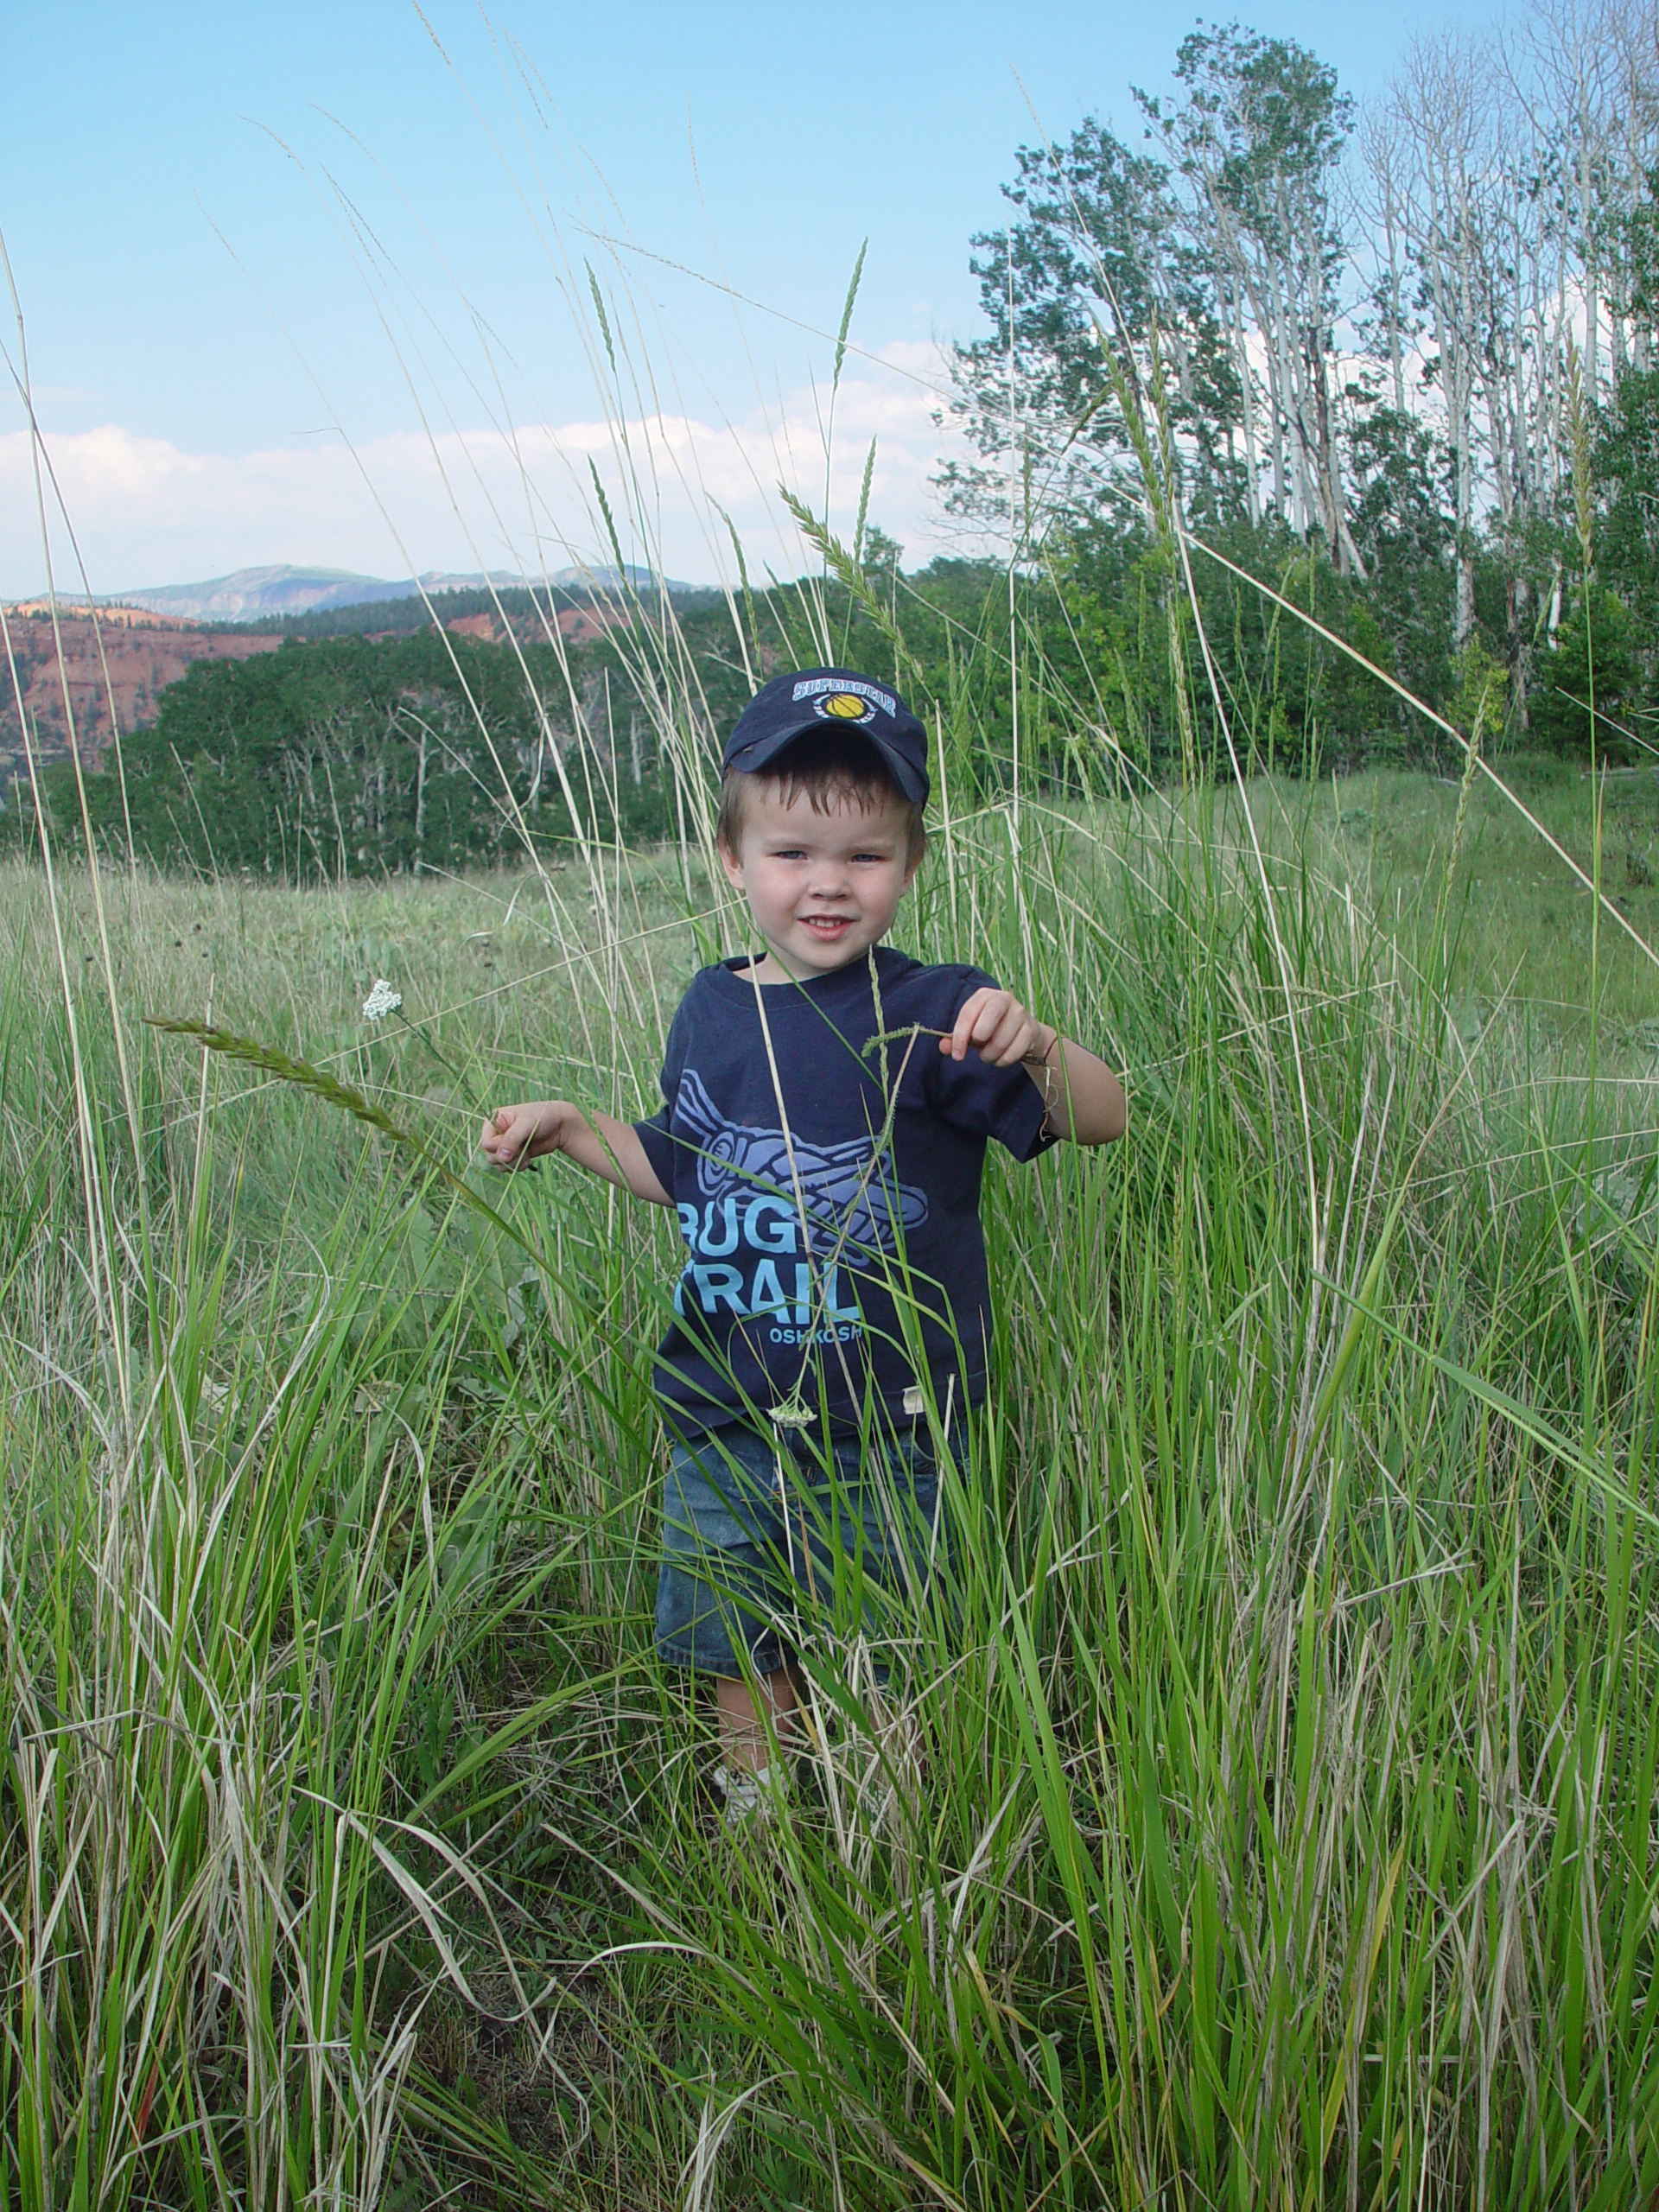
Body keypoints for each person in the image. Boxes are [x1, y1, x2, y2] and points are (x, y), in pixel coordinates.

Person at [481, 667, 1125, 1821]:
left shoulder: (942, 1009)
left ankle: (890, 1824)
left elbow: (1100, 1118)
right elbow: (689, 1169)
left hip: (894, 1425)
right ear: (733, 858)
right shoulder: (709, 1006)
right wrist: (576, 1130)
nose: (828, 884)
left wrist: (1033, 1048)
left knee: (881, 1647)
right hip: (724, 1413)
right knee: (738, 1636)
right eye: (791, 854)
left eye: (866, 857)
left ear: (910, 866)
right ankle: (762, 1810)